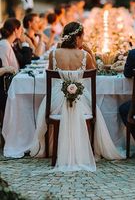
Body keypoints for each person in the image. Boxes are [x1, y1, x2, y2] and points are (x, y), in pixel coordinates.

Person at [30, 22, 124, 164]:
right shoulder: (85, 55)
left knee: (47, 104)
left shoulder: (54, 54)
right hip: (80, 99)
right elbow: (95, 73)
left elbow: (50, 76)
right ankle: (87, 148)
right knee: (95, 110)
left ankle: (53, 150)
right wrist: (90, 52)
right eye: (82, 36)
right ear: (78, 38)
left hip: (56, 102)